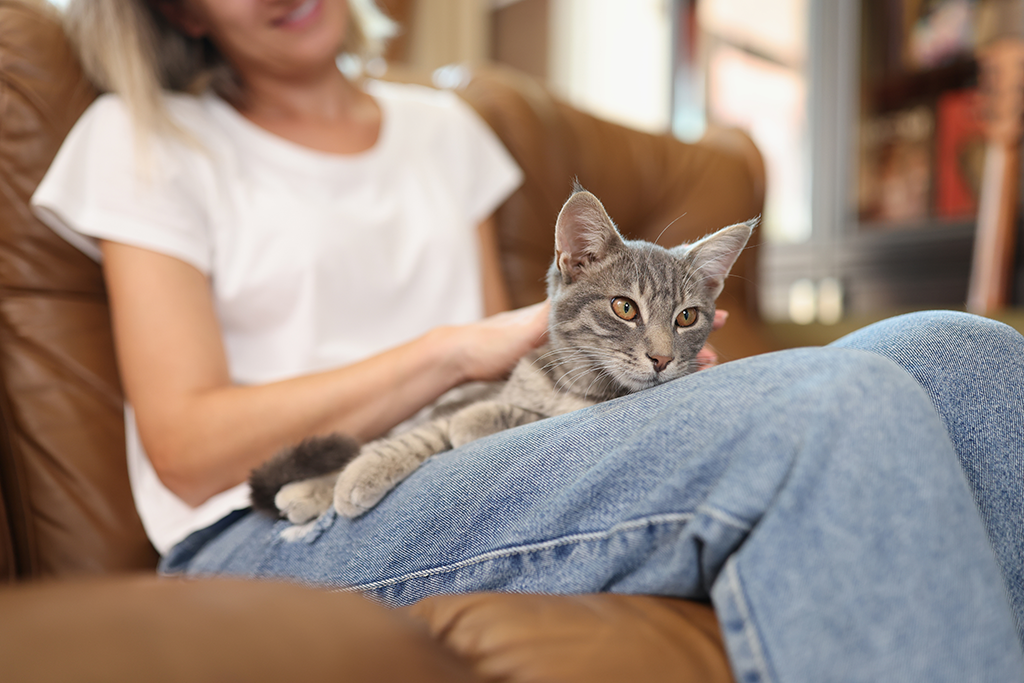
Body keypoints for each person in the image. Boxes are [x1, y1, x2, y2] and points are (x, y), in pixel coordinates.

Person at [31, 0, 1024, 680]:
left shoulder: (442, 131)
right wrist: (451, 347)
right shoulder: (145, 138)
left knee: (959, 353)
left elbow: (512, 401)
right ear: (182, 10)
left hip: (474, 456)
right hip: (277, 516)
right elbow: (189, 444)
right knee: (824, 408)